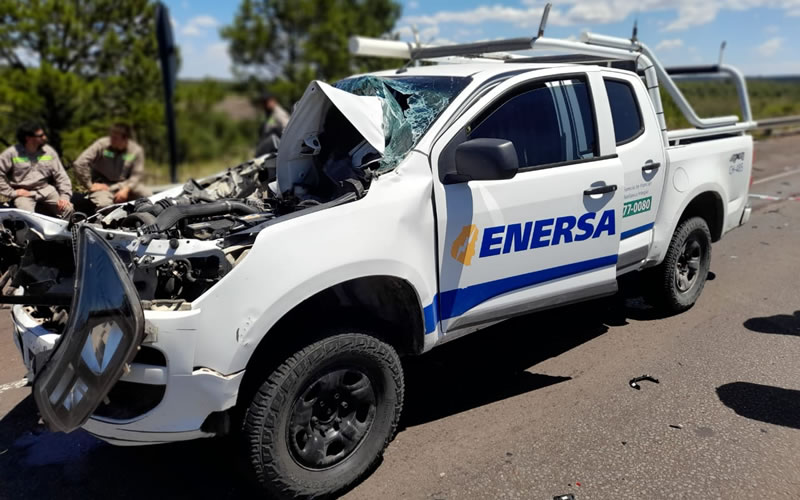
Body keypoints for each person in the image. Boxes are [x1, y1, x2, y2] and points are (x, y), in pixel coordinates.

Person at [0, 122, 73, 218]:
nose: (44, 137)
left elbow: (61, 175)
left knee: (68, 209)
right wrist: (11, 193)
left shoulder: (48, 152)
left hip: (46, 190)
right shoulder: (12, 153)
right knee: (27, 216)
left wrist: (64, 196)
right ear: (28, 138)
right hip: (24, 194)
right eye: (40, 135)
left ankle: (65, 233)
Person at [73, 123, 150, 210]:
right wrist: (89, 185)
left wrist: (126, 189)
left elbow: (137, 175)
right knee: (104, 205)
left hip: (126, 184)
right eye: (111, 137)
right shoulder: (102, 145)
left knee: (147, 196)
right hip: (103, 185)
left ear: (125, 139)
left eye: (115, 138)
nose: (111, 140)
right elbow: (80, 163)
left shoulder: (136, 150)